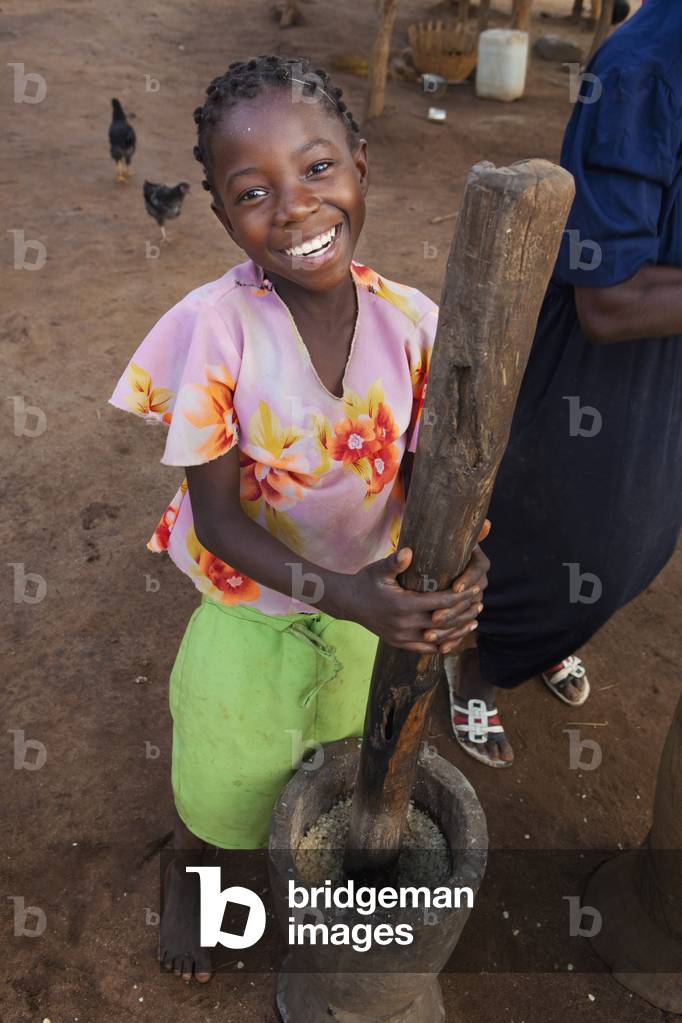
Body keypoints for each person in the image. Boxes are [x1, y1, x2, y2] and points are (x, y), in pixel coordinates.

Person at [109, 55, 489, 982]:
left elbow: (445, 474)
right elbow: (220, 522)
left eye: (317, 169)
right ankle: (193, 880)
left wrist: (471, 554)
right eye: (254, 191)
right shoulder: (219, 331)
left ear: (360, 163)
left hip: (371, 604)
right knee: (225, 776)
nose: (294, 208)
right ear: (221, 214)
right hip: (253, 604)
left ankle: (317, 866)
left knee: (350, 753)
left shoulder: (415, 323)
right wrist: (352, 597)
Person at [448, 0, 682, 768]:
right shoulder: (644, 69)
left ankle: (551, 635)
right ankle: (477, 665)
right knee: (558, 537)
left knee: (639, 544)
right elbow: (608, 303)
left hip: (668, 354)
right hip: (602, 359)